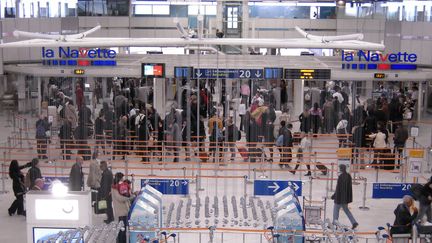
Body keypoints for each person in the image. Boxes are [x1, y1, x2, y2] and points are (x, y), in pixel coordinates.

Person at [332, 164, 358, 230]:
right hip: (345, 198)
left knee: (336, 210)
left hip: (339, 198)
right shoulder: (349, 176)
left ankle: (335, 223)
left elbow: (338, 188)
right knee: (346, 210)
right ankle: (354, 222)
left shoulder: (340, 177)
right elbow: (349, 188)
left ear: (341, 169)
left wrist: (334, 196)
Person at [112, 172, 132, 243]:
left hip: (124, 211)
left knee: (123, 230)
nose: (123, 180)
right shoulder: (114, 188)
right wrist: (128, 197)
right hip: (120, 212)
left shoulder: (120, 186)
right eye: (122, 178)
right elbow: (120, 198)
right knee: (121, 230)